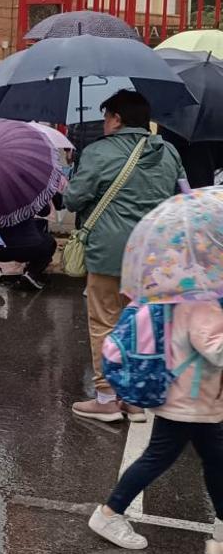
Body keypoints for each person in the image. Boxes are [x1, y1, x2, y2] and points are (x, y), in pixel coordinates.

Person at [64, 90, 185, 422]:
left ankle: (106, 397)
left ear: (116, 118)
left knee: (105, 322)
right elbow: (180, 196)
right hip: (154, 254)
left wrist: (74, 179)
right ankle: (132, 398)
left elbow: (73, 200)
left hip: (109, 252)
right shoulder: (168, 151)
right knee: (140, 325)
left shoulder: (98, 152)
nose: (104, 123)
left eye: (106, 117)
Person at [87, 297, 223, 554]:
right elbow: (214, 349)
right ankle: (108, 513)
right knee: (159, 457)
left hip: (195, 399)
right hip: (187, 402)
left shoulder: (187, 292)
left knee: (216, 459)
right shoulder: (200, 302)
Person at [0, 205, 57, 291]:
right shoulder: (28, 192)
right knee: (49, 242)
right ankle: (32, 273)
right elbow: (45, 211)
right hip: (28, 247)